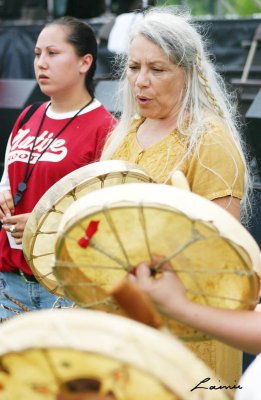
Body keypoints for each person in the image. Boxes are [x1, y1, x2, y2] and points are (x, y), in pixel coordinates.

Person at [0, 16, 116, 320]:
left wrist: (46, 223)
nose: (41, 63)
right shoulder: (28, 115)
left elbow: (107, 216)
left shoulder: (105, 128)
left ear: (84, 62)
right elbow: (8, 180)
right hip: (10, 281)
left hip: (64, 287)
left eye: (53, 53)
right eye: (38, 54)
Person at [101, 7, 251, 222]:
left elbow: (224, 243)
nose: (141, 81)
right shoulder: (123, 134)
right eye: (134, 67)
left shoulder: (209, 140)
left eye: (157, 69)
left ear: (188, 74)